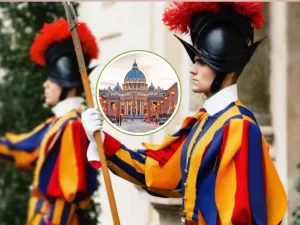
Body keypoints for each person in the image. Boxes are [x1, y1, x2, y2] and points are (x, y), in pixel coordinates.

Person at [82, 2, 287, 225]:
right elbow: (160, 172)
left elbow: (239, 214)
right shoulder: (202, 122)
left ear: (223, 69)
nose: (192, 69)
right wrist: (100, 140)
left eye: (200, 62)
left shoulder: (239, 125)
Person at [0, 19, 99, 225]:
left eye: (52, 79)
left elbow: (65, 195)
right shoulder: (59, 123)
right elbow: (24, 149)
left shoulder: (72, 126)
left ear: (67, 85)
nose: (45, 84)